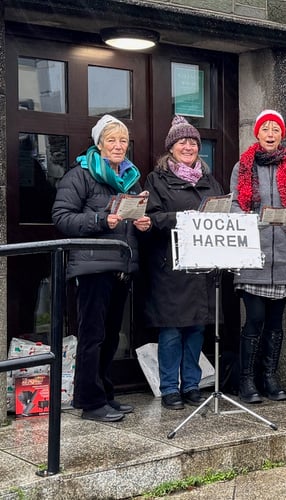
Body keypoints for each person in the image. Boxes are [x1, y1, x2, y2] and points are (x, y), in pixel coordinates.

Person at [52, 114, 151, 422]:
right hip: (92, 267)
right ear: (99, 144)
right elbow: (61, 217)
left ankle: (106, 393)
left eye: (123, 140)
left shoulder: (130, 178)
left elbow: (127, 220)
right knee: (92, 335)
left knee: (110, 336)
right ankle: (89, 401)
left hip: (120, 266)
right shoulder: (79, 175)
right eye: (112, 140)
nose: (118, 146)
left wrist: (141, 222)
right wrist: (99, 220)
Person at [142, 115, 225, 410]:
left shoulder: (208, 179)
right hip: (172, 267)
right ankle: (169, 388)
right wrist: (187, 219)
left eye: (192, 142)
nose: (188, 146)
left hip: (203, 267)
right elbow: (151, 218)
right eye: (182, 142)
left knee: (197, 329)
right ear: (171, 148)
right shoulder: (157, 179)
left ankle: (192, 385)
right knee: (172, 330)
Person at [230, 109, 286, 403]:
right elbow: (235, 204)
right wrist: (252, 220)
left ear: (281, 134)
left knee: (276, 322)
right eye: (266, 129)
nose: (271, 134)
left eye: (276, 129)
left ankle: (269, 377)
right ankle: (247, 380)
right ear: (258, 133)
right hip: (254, 253)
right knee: (255, 318)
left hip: (284, 254)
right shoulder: (243, 166)